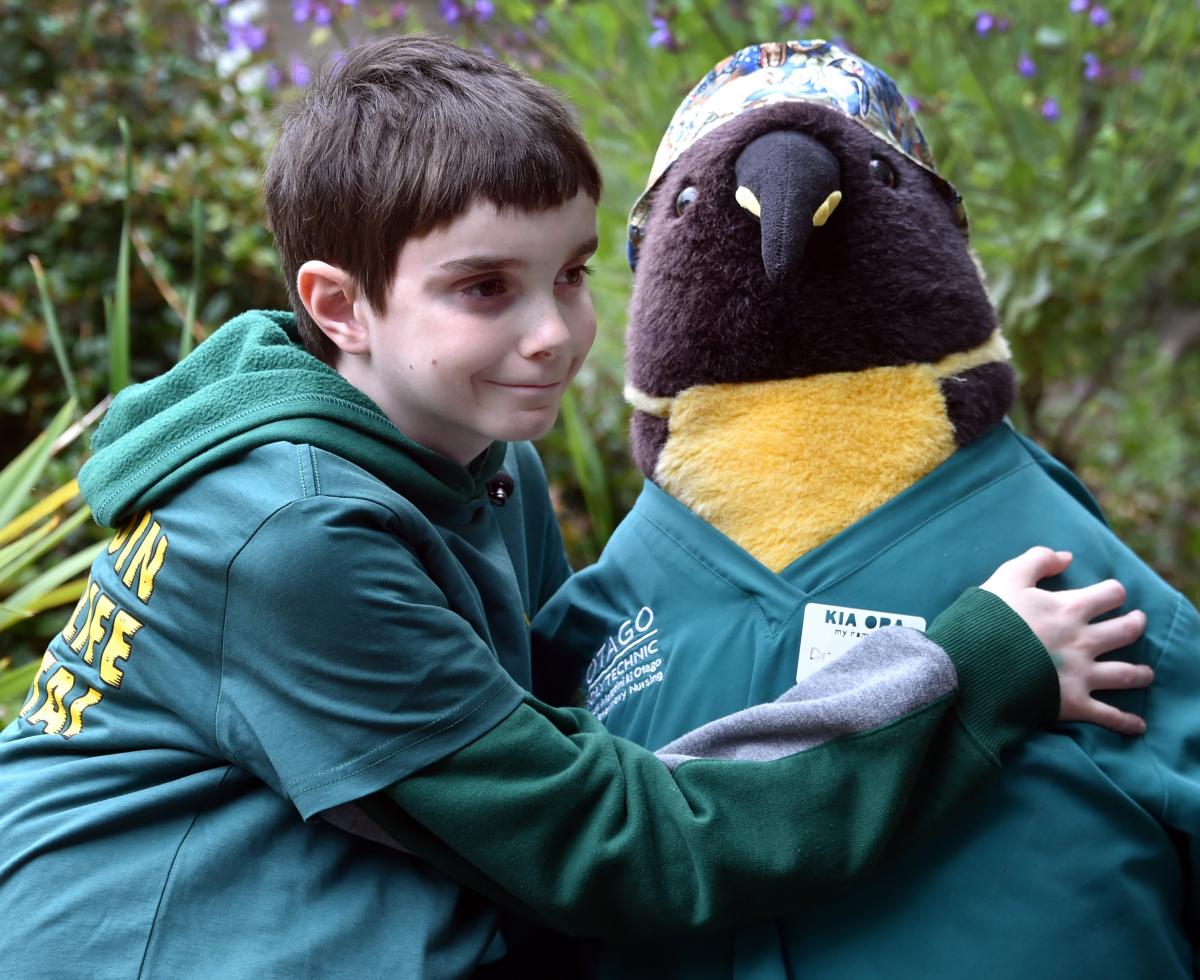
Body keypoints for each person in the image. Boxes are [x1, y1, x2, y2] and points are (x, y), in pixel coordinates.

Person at [0, 35, 1149, 978]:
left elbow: (565, 721)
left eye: (571, 272)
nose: (553, 334)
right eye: (483, 288)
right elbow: (619, 844)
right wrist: (973, 670)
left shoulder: (474, 456)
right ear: (340, 306)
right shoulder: (292, 539)